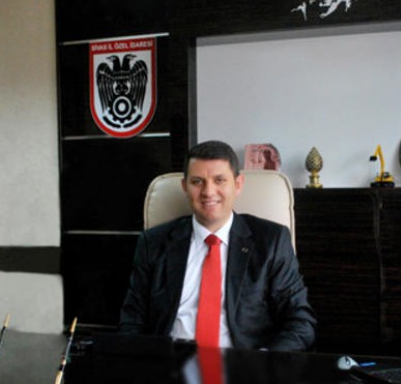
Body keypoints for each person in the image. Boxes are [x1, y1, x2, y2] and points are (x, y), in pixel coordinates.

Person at [119, 140, 316, 351]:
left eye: (219, 180)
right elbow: (132, 321)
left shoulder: (271, 241)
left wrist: (264, 361)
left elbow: (300, 322)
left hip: (244, 364)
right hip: (171, 363)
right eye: (197, 182)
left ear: (238, 184)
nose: (208, 192)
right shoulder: (153, 243)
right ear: (185, 187)